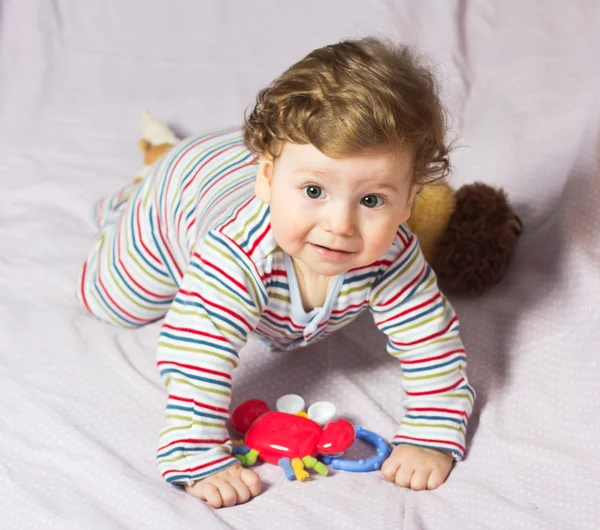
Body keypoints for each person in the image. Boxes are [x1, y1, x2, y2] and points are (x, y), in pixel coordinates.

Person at [78, 37, 475, 509]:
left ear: (409, 201)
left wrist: (431, 433)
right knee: (115, 304)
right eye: (313, 191)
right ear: (266, 178)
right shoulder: (234, 255)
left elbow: (432, 341)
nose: (339, 225)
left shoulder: (394, 253)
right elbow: (196, 353)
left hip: (246, 161)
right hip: (181, 190)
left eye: (372, 200)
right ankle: (131, 196)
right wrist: (199, 454)